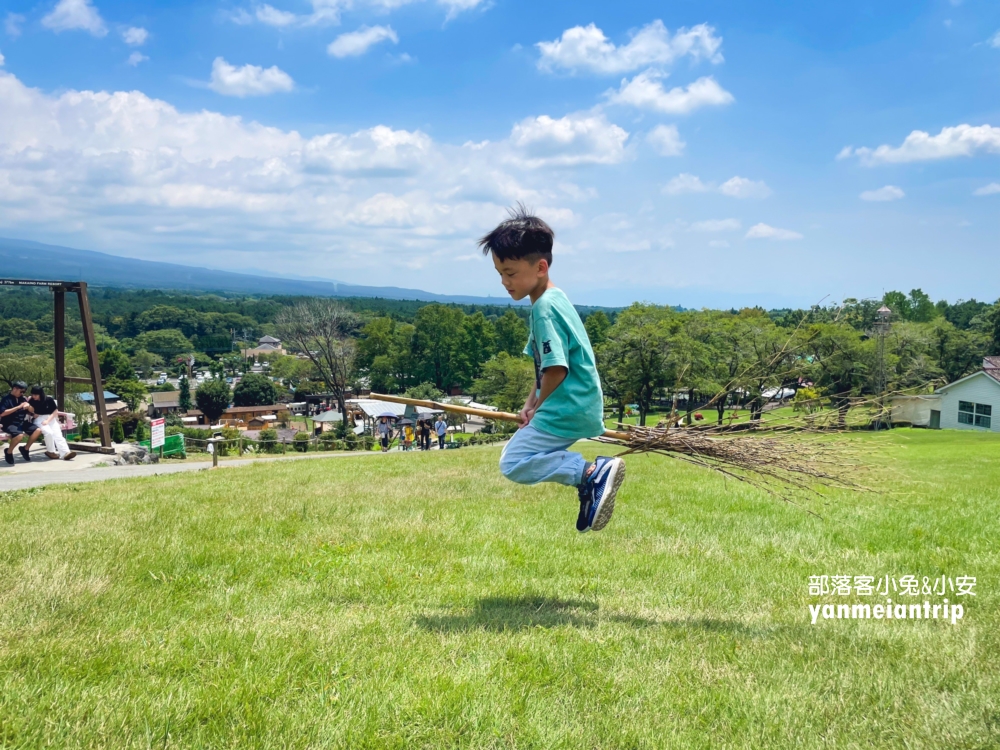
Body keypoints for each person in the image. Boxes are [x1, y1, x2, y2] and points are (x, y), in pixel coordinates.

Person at [481, 206, 625, 533]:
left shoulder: (543, 309)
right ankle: (589, 484)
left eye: (511, 273)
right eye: (499, 273)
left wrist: (539, 406)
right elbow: (543, 370)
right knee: (518, 457)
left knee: (513, 463)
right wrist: (528, 405)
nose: (504, 282)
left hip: (567, 409)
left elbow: (557, 370)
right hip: (577, 407)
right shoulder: (555, 299)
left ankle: (589, 474)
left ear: (541, 267)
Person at [29, 386, 76, 461]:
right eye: (33, 394)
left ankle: (66, 453)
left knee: (58, 435)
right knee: (49, 433)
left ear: (40, 394)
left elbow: (55, 411)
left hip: (51, 418)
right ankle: (51, 452)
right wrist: (32, 414)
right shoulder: (31, 401)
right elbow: (29, 411)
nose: (34, 396)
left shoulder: (49, 399)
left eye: (35, 395)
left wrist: (48, 420)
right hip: (39, 419)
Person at [0, 381, 43, 464]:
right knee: (19, 435)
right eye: (21, 391)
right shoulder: (6, 399)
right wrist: (18, 407)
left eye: (24, 392)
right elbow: (2, 413)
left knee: (38, 430)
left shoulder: (22, 399)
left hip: (22, 422)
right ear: (15, 389)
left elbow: (32, 411)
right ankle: (9, 452)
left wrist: (29, 406)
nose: (22, 393)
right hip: (9, 423)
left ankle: (25, 449)